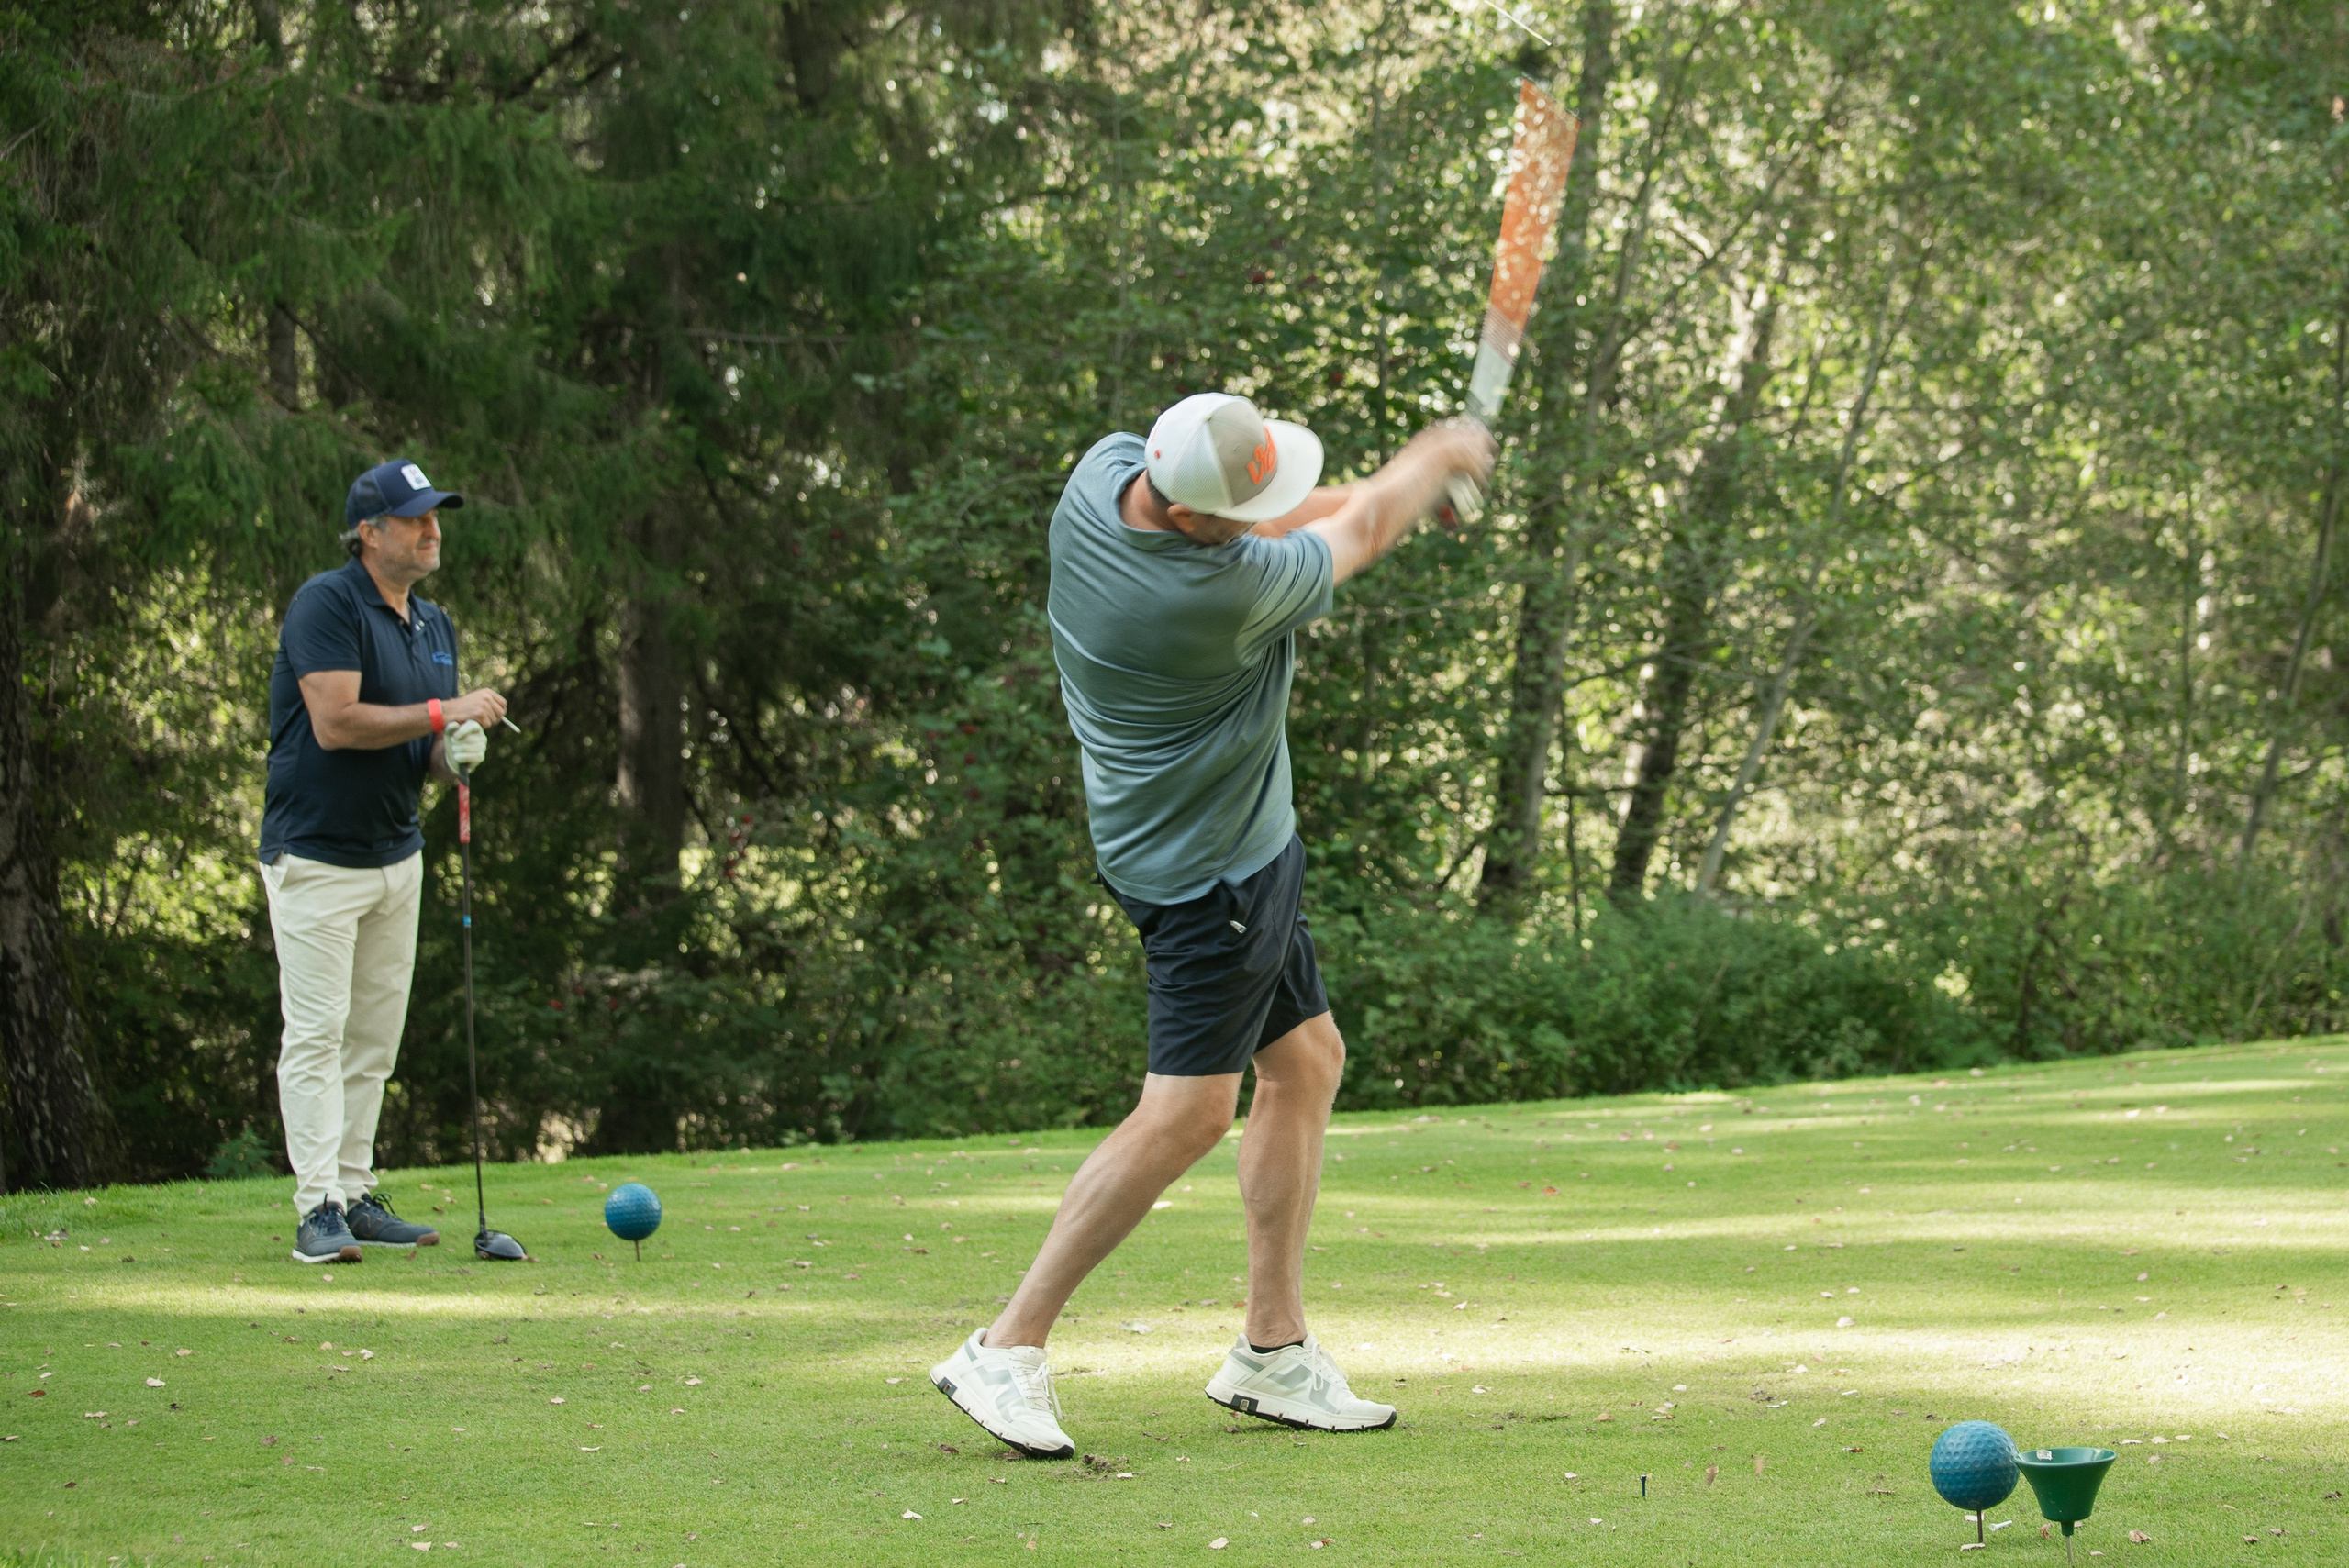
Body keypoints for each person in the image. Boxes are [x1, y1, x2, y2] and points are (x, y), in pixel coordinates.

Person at [930, 394, 1494, 1455]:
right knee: (1187, 1114)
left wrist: (1411, 494)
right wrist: (1431, 458)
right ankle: (1005, 1344)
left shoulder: (1102, 477)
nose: (1247, 526)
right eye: (1234, 519)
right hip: (1210, 881)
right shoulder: (1211, 596)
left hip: (1207, 848)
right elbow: (1358, 530)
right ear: (1196, 521)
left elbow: (1298, 514)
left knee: (1307, 1063)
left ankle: (1272, 1348)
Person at [260, 459, 507, 1265]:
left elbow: (421, 744)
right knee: (318, 1033)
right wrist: (445, 711)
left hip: (396, 855)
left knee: (372, 1038)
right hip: (316, 855)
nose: (433, 530)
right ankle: (317, 1208)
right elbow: (335, 722)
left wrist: (452, 751)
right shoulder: (326, 603)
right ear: (369, 533)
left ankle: (355, 1191)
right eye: (415, 518)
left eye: (436, 516)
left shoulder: (434, 625)